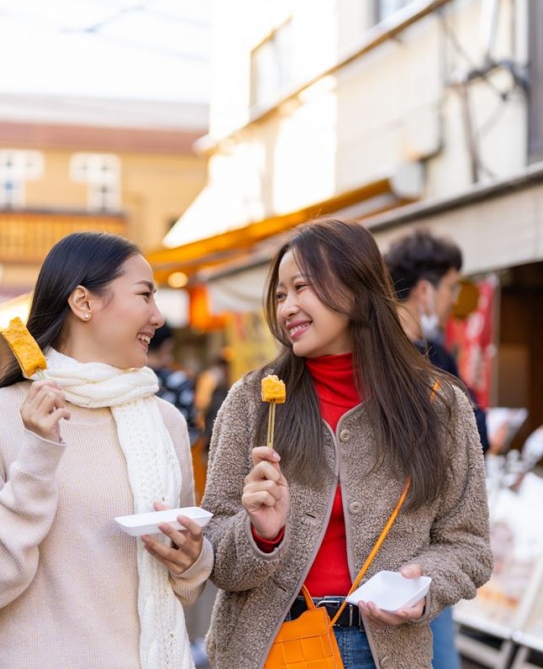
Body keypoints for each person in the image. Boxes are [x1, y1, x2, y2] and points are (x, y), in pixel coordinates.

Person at [201, 219, 492, 669]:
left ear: (357, 289)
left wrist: (425, 584)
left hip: (385, 652)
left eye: (302, 288)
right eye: (280, 295)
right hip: (268, 650)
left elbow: (469, 545)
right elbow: (215, 553)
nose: (287, 308)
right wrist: (260, 532)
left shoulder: (438, 405)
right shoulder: (253, 400)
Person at [0, 231, 212, 668]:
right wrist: (37, 460)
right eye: (145, 295)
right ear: (83, 302)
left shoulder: (164, 422)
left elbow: (185, 588)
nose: (157, 317)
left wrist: (194, 559)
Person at [384, 227, 491, 669]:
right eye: (450, 288)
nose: (451, 301)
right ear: (424, 290)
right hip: (425, 548)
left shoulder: (376, 355)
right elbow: (475, 437)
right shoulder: (431, 359)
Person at [147, 325, 200, 444]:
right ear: (167, 345)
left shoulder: (126, 380)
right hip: (174, 452)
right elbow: (191, 426)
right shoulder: (178, 381)